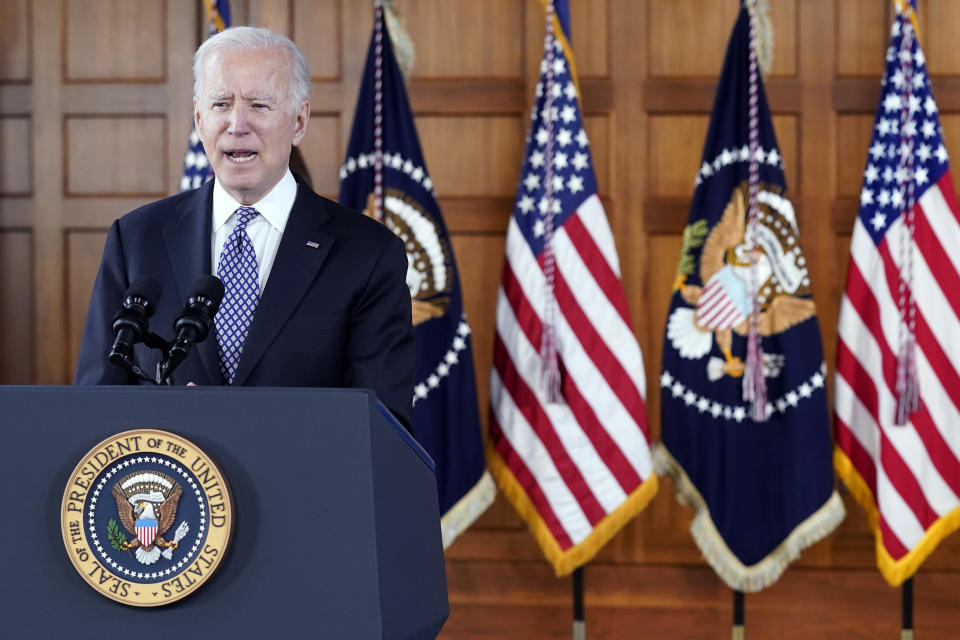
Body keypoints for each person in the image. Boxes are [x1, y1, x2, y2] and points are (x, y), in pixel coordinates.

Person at [74, 27, 414, 430]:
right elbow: (96, 406)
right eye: (221, 104)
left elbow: (382, 427)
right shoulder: (135, 239)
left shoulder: (368, 253)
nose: (237, 124)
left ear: (299, 121)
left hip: (302, 490)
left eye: (259, 105)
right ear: (200, 119)